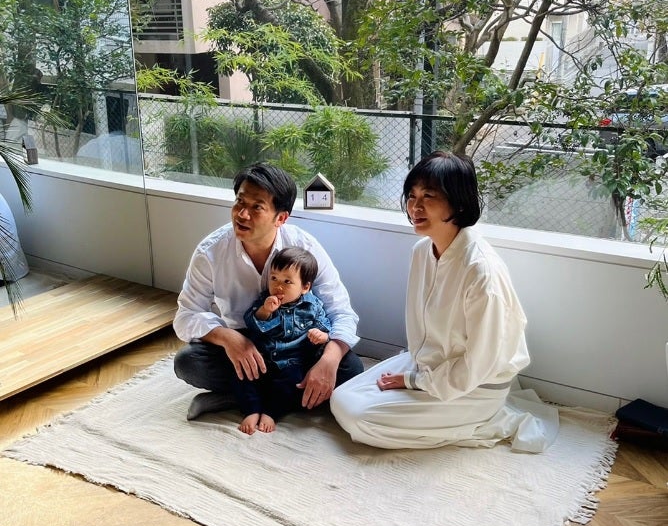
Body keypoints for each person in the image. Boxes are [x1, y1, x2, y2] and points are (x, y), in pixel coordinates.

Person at [330, 151, 559, 452]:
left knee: (362, 420)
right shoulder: (422, 252)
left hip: (473, 386)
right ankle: (431, 408)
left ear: (459, 203)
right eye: (412, 196)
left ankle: (485, 419)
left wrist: (413, 381)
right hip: (426, 365)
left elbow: (479, 364)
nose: (416, 206)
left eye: (429, 196)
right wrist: (415, 374)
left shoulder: (481, 272)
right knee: (341, 398)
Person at [173, 163, 364, 420]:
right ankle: (280, 398)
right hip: (246, 343)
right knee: (188, 363)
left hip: (297, 345)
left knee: (350, 369)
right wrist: (227, 338)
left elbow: (341, 311)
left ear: (281, 218)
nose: (242, 214)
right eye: (240, 202)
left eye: (256, 207)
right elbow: (186, 315)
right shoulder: (211, 252)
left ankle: (240, 398)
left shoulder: (304, 247)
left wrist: (329, 361)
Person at [235, 246, 331, 434]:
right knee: (244, 375)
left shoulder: (312, 306)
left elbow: (325, 325)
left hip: (292, 362)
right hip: (262, 357)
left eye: (287, 281)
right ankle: (252, 410)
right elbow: (251, 322)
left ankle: (271, 412)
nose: (278, 286)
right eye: (274, 278)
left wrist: (322, 335)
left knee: (291, 383)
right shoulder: (265, 300)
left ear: (305, 287)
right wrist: (265, 311)